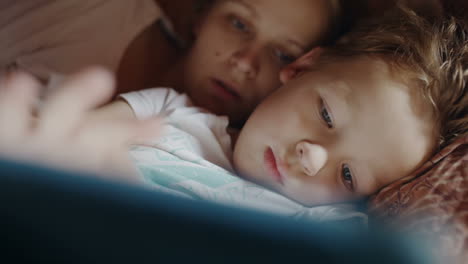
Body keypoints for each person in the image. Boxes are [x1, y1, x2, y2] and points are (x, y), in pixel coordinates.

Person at [1, 5, 466, 207]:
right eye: (325, 115)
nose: (312, 156)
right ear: (303, 69)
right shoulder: (172, 112)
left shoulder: (324, 218)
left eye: (348, 176)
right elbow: (62, 139)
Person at [0, 0, 342, 127]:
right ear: (201, 16)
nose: (245, 62)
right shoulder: (84, 11)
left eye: (282, 54)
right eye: (238, 23)